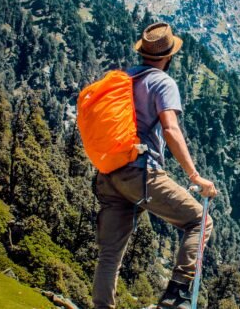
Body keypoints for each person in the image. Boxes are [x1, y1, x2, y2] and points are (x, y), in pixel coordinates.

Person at [92, 22, 217, 309]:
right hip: (140, 172)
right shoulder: (162, 82)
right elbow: (170, 129)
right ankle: (176, 294)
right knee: (200, 221)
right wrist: (194, 176)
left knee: (110, 254)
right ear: (169, 56)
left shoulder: (125, 79)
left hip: (109, 173)